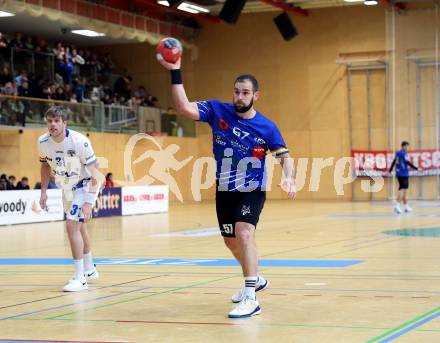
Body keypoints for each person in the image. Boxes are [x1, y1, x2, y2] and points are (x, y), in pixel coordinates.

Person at [158, 55, 296, 318]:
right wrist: (175, 70)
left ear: (256, 95)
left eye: (245, 93)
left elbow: (284, 157)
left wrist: (289, 176)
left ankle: (250, 297)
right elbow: (184, 108)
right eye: (236, 91)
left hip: (252, 189)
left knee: (245, 234)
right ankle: (256, 277)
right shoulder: (217, 110)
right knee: (231, 242)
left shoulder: (267, 127)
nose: (240, 97)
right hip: (224, 189)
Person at [38, 106, 103, 292]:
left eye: (57, 120)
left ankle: (80, 278)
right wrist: (43, 192)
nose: (52, 124)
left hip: (85, 184)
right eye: (49, 120)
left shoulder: (79, 142)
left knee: (71, 225)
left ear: (64, 123)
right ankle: (90, 270)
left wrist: (89, 202)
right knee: (80, 227)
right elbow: (44, 167)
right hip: (67, 186)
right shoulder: (42, 142)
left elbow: (95, 173)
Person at [389, 141, 418, 214]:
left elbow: (394, 161)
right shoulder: (403, 153)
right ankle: (397, 205)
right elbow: (407, 162)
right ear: (403, 146)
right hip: (403, 173)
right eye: (406, 146)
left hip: (399, 173)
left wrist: (390, 169)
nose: (407, 148)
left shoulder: (397, 153)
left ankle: (406, 207)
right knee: (402, 190)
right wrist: (415, 168)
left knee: (404, 190)